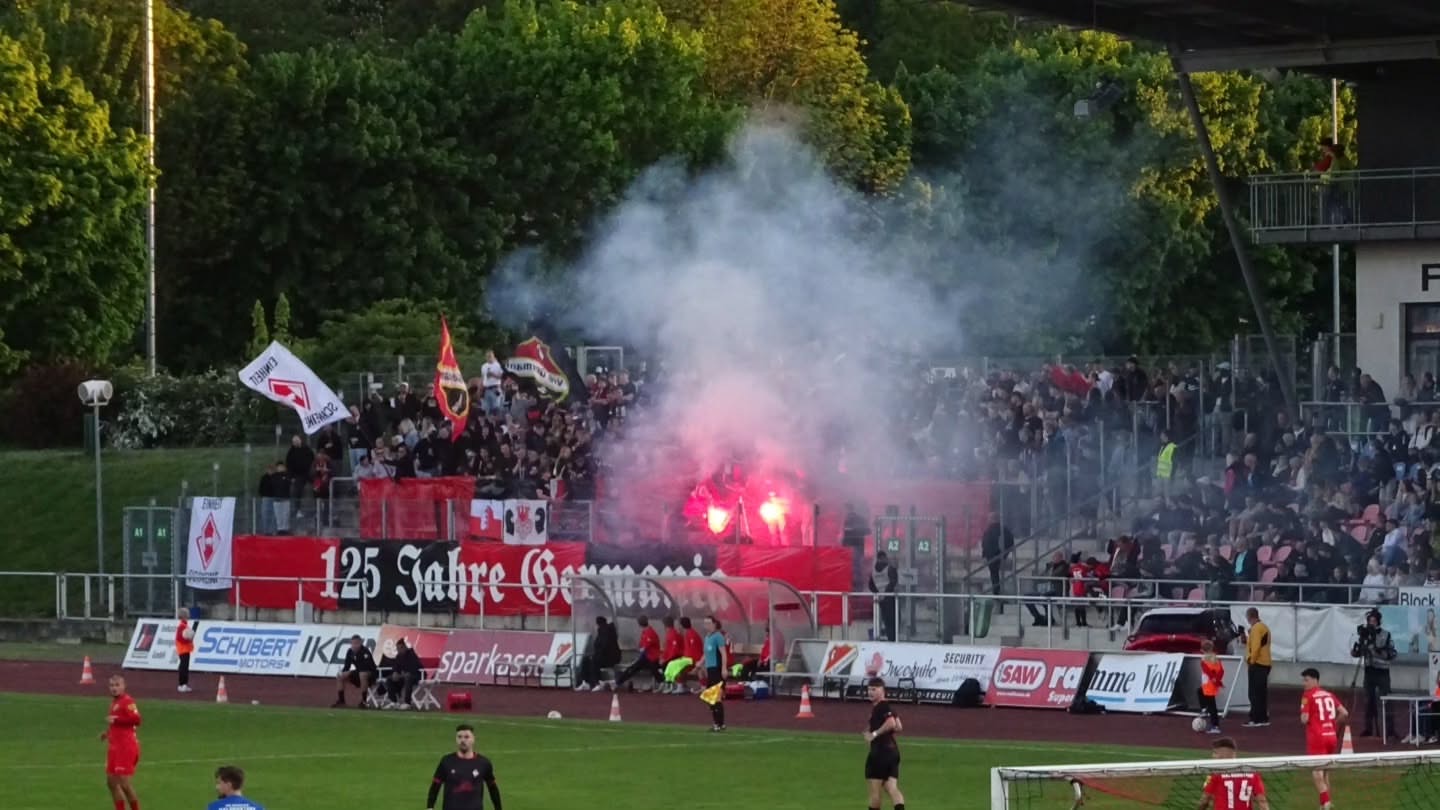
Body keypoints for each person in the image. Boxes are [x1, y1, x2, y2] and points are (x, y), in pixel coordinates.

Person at [1300, 668, 1349, 810]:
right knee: (1326, 771)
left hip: (1317, 737)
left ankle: (1325, 801)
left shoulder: (1307, 695)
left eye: (1306, 680)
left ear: (1315, 680)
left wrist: (1304, 716)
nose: (1304, 683)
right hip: (1331, 737)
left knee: (1316, 771)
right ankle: (1326, 804)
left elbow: (1304, 719)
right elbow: (1344, 713)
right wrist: (1333, 723)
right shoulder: (1329, 694)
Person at [427, 724, 502, 810]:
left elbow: (492, 788)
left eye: (466, 737)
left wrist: (498, 808)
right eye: (459, 737)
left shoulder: (483, 763)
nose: (462, 740)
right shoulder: (446, 761)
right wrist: (430, 807)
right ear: (456, 739)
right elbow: (435, 785)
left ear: (473, 739)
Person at [1350, 608, 1396, 741]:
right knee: (1367, 701)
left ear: (1379, 622)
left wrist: (1375, 650)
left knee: (1386, 701)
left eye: (1374, 621)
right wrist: (1356, 651)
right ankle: (1368, 728)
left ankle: (1389, 729)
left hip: (1382, 672)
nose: (1372, 623)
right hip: (1369, 671)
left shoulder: (1386, 635)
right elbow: (1359, 652)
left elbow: (1392, 654)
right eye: (1370, 621)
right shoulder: (1364, 635)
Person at [863, 677, 906, 810]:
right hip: (893, 752)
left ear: (882, 691)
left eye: (874, 689)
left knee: (875, 792)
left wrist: (874, 734)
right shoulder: (888, 707)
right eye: (869, 689)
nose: (870, 692)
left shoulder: (881, 707)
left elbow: (892, 723)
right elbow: (899, 727)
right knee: (891, 788)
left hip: (880, 753)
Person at [101, 675, 142, 810]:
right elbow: (116, 723)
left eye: (117, 685)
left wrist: (117, 720)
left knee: (124, 783)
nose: (114, 688)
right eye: (112, 685)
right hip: (115, 748)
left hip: (126, 747)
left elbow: (137, 720)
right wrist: (107, 733)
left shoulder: (127, 701)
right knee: (111, 782)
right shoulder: (115, 702)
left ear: (124, 686)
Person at [1196, 737, 1268, 810]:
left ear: (1224, 754)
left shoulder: (1216, 773)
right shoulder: (1253, 773)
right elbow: (1262, 802)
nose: (1213, 756)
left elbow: (1205, 800)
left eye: (1215, 752)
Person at [614, 615, 662, 692]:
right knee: (632, 668)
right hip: (646, 657)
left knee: (653, 669)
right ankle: (618, 682)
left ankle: (662, 683)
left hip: (652, 658)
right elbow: (641, 646)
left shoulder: (650, 632)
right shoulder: (645, 632)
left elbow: (644, 647)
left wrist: (639, 654)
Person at [576, 616, 621, 692]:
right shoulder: (603, 631)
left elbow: (604, 647)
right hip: (606, 656)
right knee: (586, 660)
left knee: (594, 661)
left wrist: (595, 655)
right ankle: (586, 682)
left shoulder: (605, 631)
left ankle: (597, 683)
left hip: (611, 658)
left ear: (598, 624)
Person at [1243, 608, 1271, 728]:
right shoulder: (1264, 627)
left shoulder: (1256, 629)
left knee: (1254, 693)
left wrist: (1251, 660)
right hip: (1265, 663)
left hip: (1258, 663)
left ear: (1250, 616)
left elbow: (1256, 647)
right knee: (1261, 692)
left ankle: (1255, 718)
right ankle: (1263, 718)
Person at [332, 635, 377, 708]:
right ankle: (341, 701)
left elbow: (367, 667)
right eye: (353, 643)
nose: (355, 645)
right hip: (357, 673)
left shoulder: (365, 651)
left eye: (357, 643)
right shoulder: (350, 652)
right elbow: (347, 666)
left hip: (370, 674)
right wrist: (344, 673)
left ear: (361, 643)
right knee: (340, 675)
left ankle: (364, 701)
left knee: (362, 674)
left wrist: (350, 672)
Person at [701, 615, 728, 732]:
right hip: (710, 669)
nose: (706, 625)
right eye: (705, 623)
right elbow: (706, 654)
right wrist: (700, 663)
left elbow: (723, 653)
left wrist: (724, 668)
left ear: (714, 624)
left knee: (715, 697)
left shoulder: (718, 637)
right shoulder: (707, 637)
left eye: (709, 623)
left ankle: (718, 723)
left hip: (717, 669)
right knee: (710, 697)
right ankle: (718, 723)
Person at [381, 638, 423, 708]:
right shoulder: (398, 656)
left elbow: (412, 670)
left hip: (416, 676)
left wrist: (401, 675)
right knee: (389, 679)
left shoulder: (411, 655)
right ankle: (394, 702)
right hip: (402, 676)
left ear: (404, 647)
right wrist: (395, 673)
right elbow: (396, 667)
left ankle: (407, 702)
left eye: (399, 648)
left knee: (408, 677)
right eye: (397, 649)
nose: (398, 650)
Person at [868, 551, 899, 642]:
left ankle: (890, 639)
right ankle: (894, 640)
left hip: (881, 599)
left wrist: (878, 593)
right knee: (894, 621)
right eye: (885, 558)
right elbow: (893, 582)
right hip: (890, 598)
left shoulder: (873, 572)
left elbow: (871, 585)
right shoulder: (889, 568)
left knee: (887, 621)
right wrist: (886, 593)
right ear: (883, 558)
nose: (887, 559)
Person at [1199, 641, 1225, 734]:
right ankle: (1205, 709)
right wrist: (1217, 680)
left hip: (1208, 684)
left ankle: (1215, 725)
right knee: (1200, 692)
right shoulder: (1216, 659)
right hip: (1211, 684)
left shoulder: (1204, 660)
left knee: (1212, 705)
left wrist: (1213, 679)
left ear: (1202, 650)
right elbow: (1221, 671)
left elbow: (1206, 670)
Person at [176, 610, 196, 694]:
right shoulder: (182, 626)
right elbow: (180, 638)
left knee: (185, 666)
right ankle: (182, 684)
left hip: (185, 649)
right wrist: (189, 637)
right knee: (184, 666)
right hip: (183, 649)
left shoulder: (184, 625)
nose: (189, 615)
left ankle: (184, 684)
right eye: (187, 614)